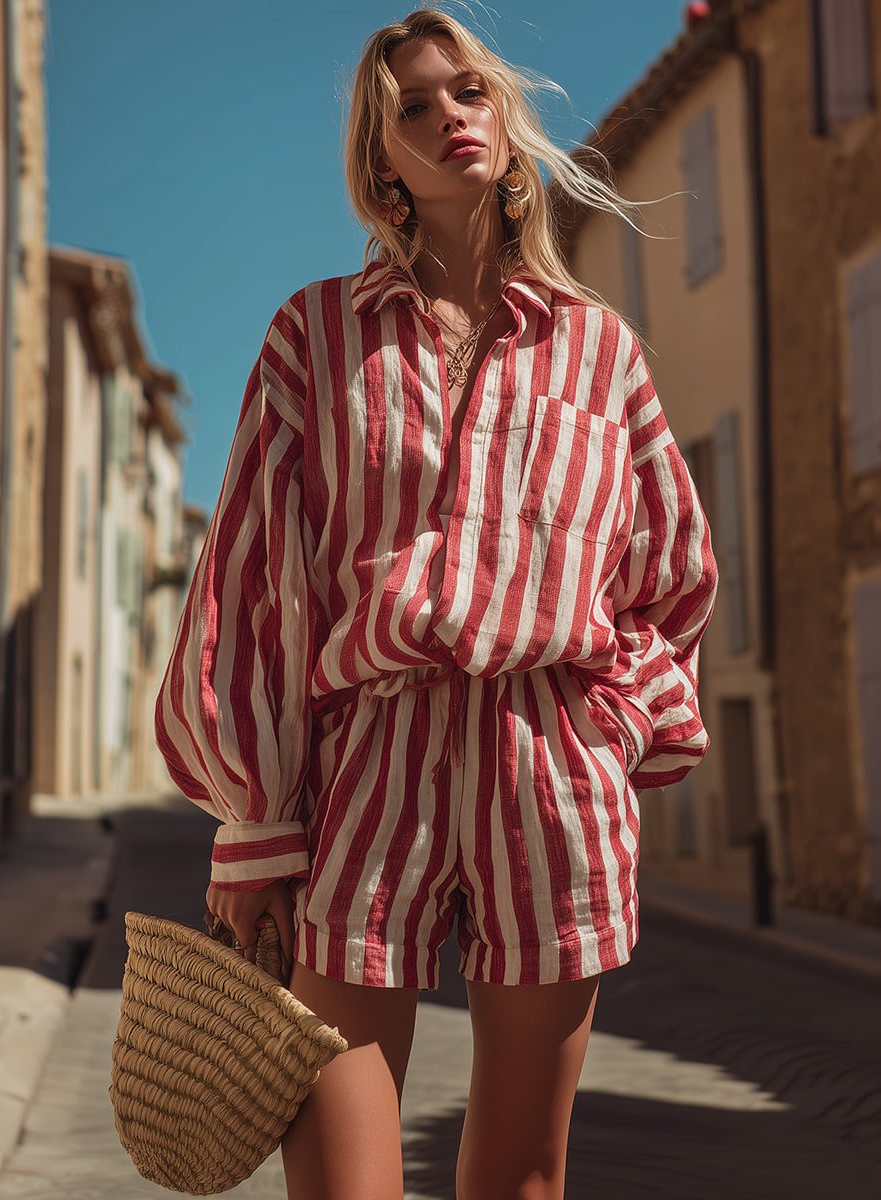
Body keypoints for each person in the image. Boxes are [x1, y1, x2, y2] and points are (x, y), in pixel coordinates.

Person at [155, 8, 718, 1199]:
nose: (448, 118)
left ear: (505, 125)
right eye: (413, 108)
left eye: (467, 94)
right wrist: (256, 819)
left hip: (549, 761)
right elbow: (255, 576)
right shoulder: (312, 335)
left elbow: (668, 574)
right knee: (339, 1178)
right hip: (373, 758)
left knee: (521, 1176)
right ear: (381, 164)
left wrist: (609, 735)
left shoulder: (599, 351)